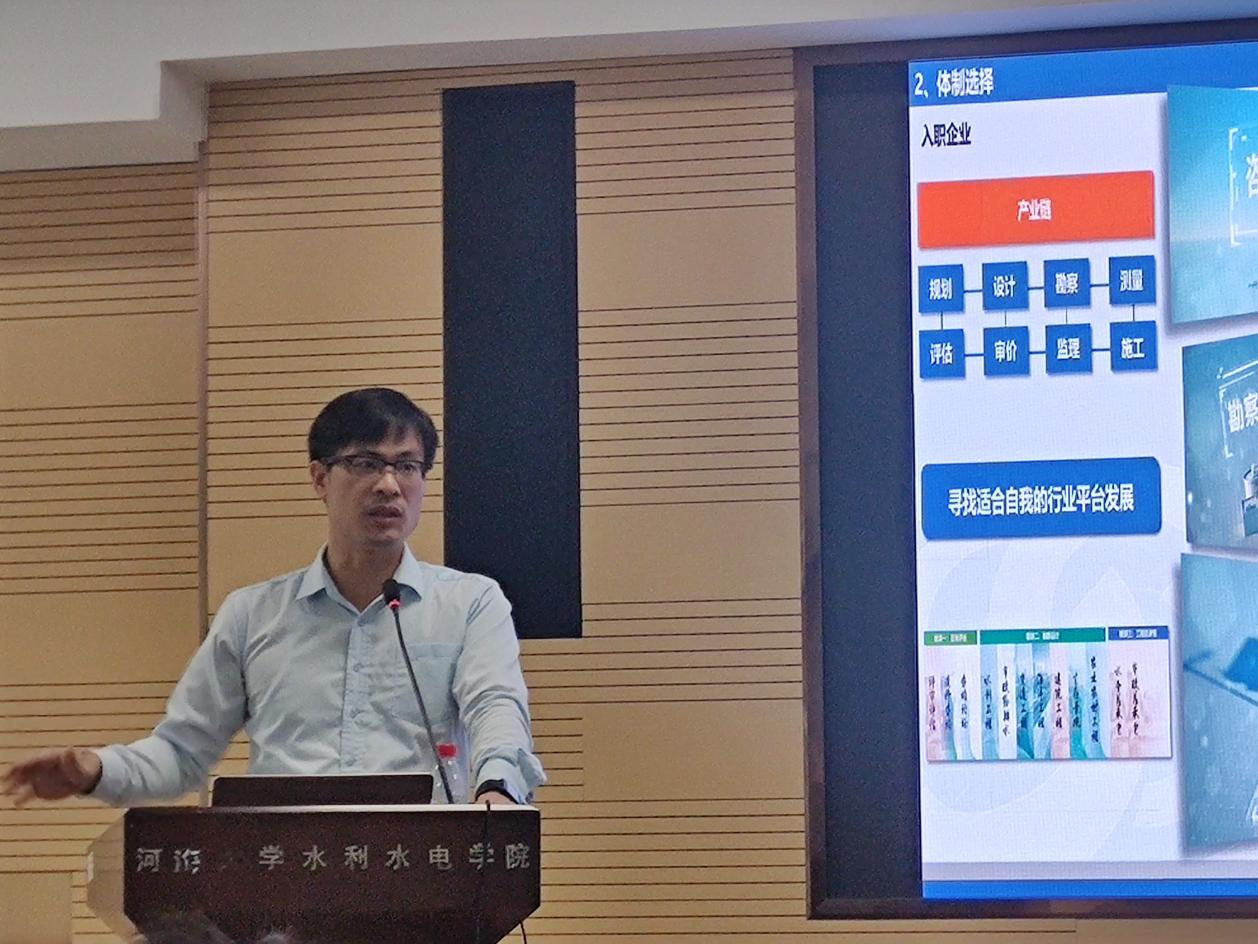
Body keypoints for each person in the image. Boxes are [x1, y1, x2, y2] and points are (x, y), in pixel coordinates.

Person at [2, 388, 544, 808]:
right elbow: (182, 753)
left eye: (407, 466)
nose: (389, 485)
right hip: (282, 874)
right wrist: (95, 770)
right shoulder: (252, 615)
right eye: (365, 463)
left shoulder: (470, 604)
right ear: (319, 478)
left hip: (422, 868)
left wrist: (497, 787)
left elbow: (495, 706)